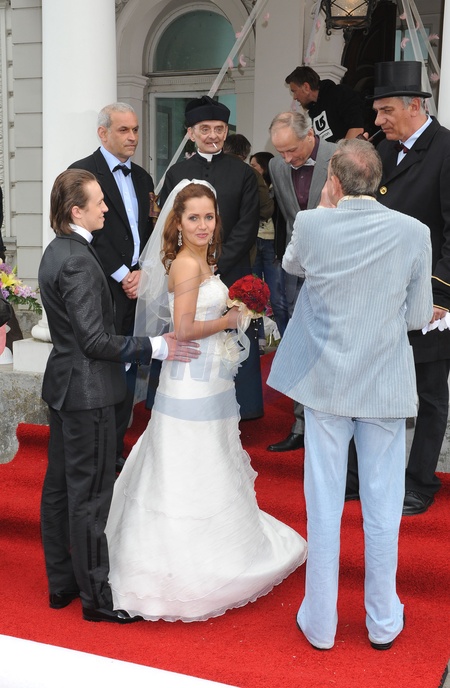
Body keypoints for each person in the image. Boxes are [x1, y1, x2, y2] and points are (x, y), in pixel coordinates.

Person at [105, 180, 307, 622]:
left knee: (212, 454)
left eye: (209, 217)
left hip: (209, 377)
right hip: (189, 379)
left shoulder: (204, 259)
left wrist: (232, 313)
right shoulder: (184, 264)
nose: (202, 225)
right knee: (186, 460)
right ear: (177, 222)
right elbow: (182, 330)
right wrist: (229, 320)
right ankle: (174, 566)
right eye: (193, 217)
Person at [268, 138, 433, 651]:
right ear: (378, 181)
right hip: (384, 383)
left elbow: (292, 266)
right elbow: (417, 316)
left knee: (324, 503)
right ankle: (383, 621)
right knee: (383, 507)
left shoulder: (313, 223)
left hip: (327, 383)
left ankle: (320, 623)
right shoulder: (414, 231)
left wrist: (323, 209)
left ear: (334, 181)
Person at [39, 169, 199, 624]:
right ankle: (96, 599)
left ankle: (62, 584)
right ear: (77, 211)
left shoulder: (57, 250)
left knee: (59, 489)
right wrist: (156, 345)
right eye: (99, 202)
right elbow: (94, 341)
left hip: (66, 386)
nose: (106, 207)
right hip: (87, 393)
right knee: (89, 496)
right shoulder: (77, 260)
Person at [356, 60, 450, 516]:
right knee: (374, 387)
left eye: (386, 110)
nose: (378, 120)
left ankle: (420, 480)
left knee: (428, 393)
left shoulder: (446, 149)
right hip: (380, 296)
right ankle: (366, 474)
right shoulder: (382, 148)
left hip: (427, 298)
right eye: (377, 111)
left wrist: (439, 294)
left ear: (415, 106)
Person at [160, 96, 263, 420]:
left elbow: (248, 224)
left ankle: (243, 407)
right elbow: (169, 221)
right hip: (191, 272)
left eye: (219, 129)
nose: (213, 135)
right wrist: (199, 265)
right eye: (204, 129)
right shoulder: (177, 173)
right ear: (191, 133)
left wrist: (216, 261)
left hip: (233, 270)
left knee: (237, 337)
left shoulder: (243, 173)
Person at [69, 102, 154, 472]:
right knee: (104, 370)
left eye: (135, 129)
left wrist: (144, 272)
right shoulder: (80, 174)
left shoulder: (144, 178)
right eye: (124, 130)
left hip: (140, 288)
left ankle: (116, 447)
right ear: (103, 133)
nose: (132, 137)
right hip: (103, 286)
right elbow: (83, 233)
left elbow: (149, 232)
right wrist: (122, 274)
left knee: (132, 368)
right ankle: (101, 451)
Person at [266, 111, 336, 452]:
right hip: (298, 269)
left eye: (291, 150)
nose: (286, 159)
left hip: (338, 269)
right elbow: (292, 219)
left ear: (310, 135)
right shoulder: (276, 167)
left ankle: (333, 424)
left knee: (333, 346)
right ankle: (301, 424)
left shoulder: (340, 155)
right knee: (298, 343)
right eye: (280, 152)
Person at [224, 135, 288, 339]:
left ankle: (256, 337)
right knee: (270, 294)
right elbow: (266, 208)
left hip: (230, 244)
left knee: (247, 292)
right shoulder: (249, 173)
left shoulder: (216, 170)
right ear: (244, 153)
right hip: (256, 241)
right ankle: (279, 338)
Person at [285, 65, 364, 142]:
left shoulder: (340, 93)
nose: (294, 97)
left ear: (306, 87)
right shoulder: (312, 112)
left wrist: (342, 151)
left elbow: (357, 128)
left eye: (294, 91)